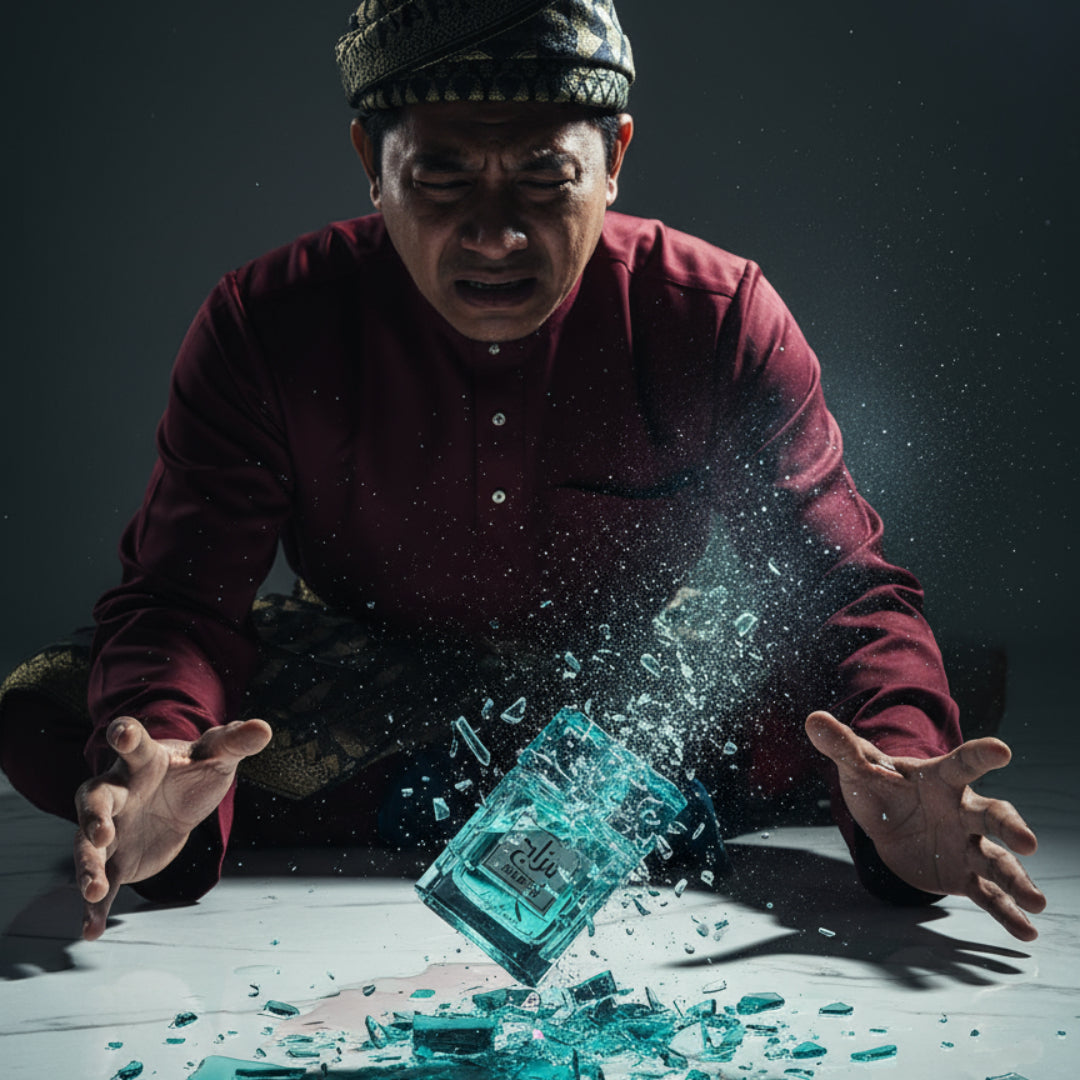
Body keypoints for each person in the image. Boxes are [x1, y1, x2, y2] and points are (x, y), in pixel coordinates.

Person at [0, 0, 1045, 946]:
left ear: (617, 157)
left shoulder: (715, 314)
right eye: (443, 177)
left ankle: (876, 806)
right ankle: (626, 806)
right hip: (379, 676)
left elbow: (844, 592)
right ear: (371, 157)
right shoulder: (267, 324)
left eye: (543, 180)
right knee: (50, 706)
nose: (494, 234)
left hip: (641, 684)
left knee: (873, 716)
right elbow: (181, 602)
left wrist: (900, 756)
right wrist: (168, 763)